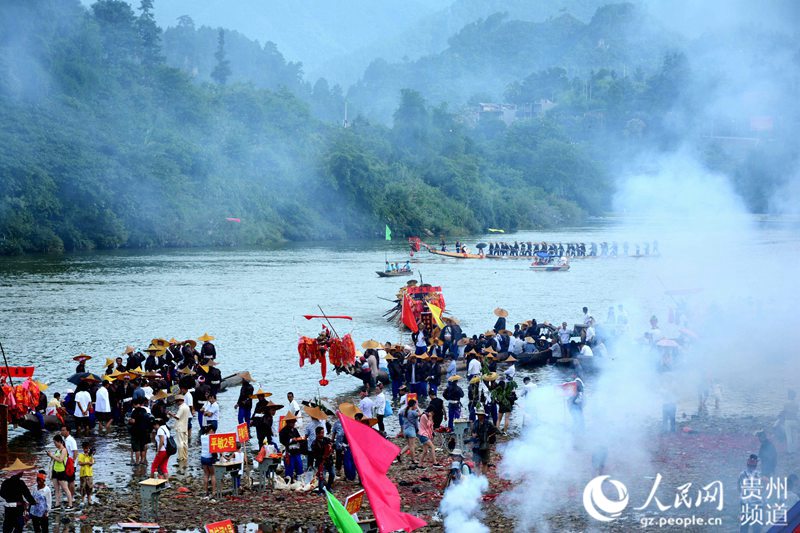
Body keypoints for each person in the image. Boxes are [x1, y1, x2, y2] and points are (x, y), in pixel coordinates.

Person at [1, 459, 37, 533]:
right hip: (18, 510)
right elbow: (27, 495)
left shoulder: (5, 482)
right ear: (20, 473)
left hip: (8, 509)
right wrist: (34, 502)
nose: (23, 473)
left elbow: (2, 494)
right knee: (18, 528)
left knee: (7, 528)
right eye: (22, 471)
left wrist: (10, 501)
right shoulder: (21, 483)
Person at [46, 435, 72, 511]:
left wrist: (52, 455)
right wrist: (50, 455)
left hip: (62, 471)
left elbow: (60, 460)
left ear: (60, 442)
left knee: (65, 488)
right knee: (56, 489)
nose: (55, 444)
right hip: (55, 471)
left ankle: (70, 504)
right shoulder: (57, 450)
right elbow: (55, 459)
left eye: (55, 442)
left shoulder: (64, 450)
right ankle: (57, 504)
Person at [738, 454, 761, 533]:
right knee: (747, 526)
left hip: (752, 504)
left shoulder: (758, 475)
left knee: (753, 526)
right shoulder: (743, 474)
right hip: (748, 504)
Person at [471, 405, 496, 474]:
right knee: (477, 462)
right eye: (478, 415)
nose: (479, 416)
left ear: (483, 415)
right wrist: (473, 435)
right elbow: (472, 432)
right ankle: (477, 478)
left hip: (485, 445)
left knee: (484, 462)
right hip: (477, 445)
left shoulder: (488, 423)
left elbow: (495, 430)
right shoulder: (475, 423)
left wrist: (489, 436)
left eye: (480, 415)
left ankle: (483, 478)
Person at [279, 412, 304, 481]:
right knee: (290, 467)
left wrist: (301, 439)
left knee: (299, 466)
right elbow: (282, 441)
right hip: (289, 452)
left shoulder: (295, 430)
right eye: (292, 422)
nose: (293, 423)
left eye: (294, 422)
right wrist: (291, 440)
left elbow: (298, 437)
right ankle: (289, 480)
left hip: (297, 451)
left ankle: (299, 479)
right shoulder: (283, 431)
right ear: (288, 422)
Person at [310, 426, 334, 494]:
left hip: (329, 461)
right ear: (317, 434)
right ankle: (321, 490)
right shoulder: (314, 444)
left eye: (323, 433)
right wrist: (322, 456)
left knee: (332, 474)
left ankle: (329, 487)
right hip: (321, 462)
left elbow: (332, 446)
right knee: (321, 477)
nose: (322, 434)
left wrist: (331, 447)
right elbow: (314, 455)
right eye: (321, 433)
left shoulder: (327, 440)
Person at [169, 394, 192, 463]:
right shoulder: (187, 407)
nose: (176, 403)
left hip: (180, 427)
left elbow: (177, 417)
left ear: (179, 401)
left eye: (176, 402)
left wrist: (171, 414)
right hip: (185, 426)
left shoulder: (181, 408)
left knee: (180, 443)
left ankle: (180, 457)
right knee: (185, 442)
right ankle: (185, 456)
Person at [399, 399, 421, 465]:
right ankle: (413, 460)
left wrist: (407, 406)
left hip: (405, 430)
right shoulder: (413, 412)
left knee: (409, 445)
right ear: (414, 405)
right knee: (412, 446)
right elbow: (421, 414)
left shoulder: (404, 411)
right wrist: (418, 407)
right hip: (411, 430)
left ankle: (399, 454)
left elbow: (400, 412)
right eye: (415, 404)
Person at [60, 426, 78, 501]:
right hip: (66, 462)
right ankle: (69, 495)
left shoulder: (71, 440)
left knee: (71, 480)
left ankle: (72, 497)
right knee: (67, 480)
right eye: (61, 430)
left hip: (70, 463)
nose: (62, 432)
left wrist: (73, 462)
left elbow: (75, 452)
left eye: (63, 430)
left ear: (68, 431)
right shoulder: (65, 440)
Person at [199, 425, 217, 501]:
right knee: (212, 474)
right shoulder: (212, 438)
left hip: (203, 457)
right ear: (211, 430)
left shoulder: (202, 437)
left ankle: (205, 491)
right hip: (210, 457)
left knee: (206, 474)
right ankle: (213, 491)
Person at [77, 441, 95, 508]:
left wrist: (90, 460)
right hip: (83, 474)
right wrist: (87, 462)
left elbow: (92, 462)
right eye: (85, 448)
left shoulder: (90, 455)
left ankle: (89, 499)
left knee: (89, 487)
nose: (86, 450)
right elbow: (80, 463)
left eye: (87, 448)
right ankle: (83, 499)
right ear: (83, 448)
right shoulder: (81, 455)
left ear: (89, 448)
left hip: (89, 473)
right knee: (83, 487)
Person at [780, 389, 798, 454]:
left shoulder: (786, 403)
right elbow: (797, 413)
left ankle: (790, 450)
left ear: (789, 396)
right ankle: (795, 449)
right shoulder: (796, 404)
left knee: (789, 436)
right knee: (795, 436)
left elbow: (784, 412)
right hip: (795, 421)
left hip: (788, 421)